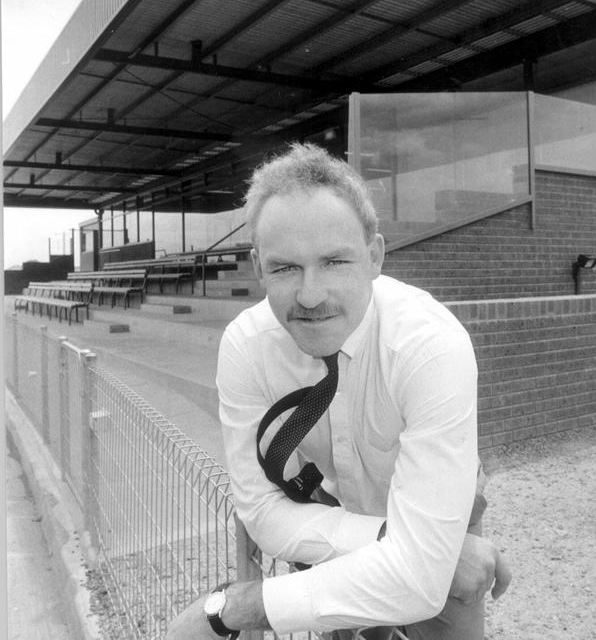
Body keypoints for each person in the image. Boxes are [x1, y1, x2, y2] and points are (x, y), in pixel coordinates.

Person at [166, 143, 510, 640]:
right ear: (258, 267)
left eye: (334, 262)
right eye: (285, 268)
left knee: (440, 608)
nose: (310, 295)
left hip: (432, 504)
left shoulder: (429, 345)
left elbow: (419, 580)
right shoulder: (246, 346)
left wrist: (233, 608)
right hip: (336, 507)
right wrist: (391, 543)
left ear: (374, 256)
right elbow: (261, 510)